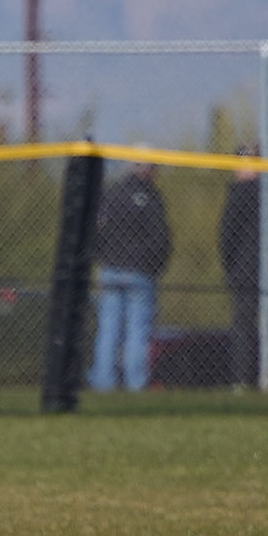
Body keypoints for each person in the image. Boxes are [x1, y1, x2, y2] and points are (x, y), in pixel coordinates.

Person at [217, 140, 268, 388]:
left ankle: (243, 380)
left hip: (247, 272)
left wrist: (232, 265)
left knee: (245, 328)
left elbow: (227, 236)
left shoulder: (243, 193)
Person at [88, 160, 171, 392]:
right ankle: (136, 382)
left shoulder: (111, 194)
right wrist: (153, 265)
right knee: (138, 330)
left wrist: (104, 258)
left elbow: (95, 233)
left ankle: (104, 382)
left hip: (111, 270)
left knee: (108, 328)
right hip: (140, 272)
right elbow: (161, 238)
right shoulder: (151, 196)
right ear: (149, 170)